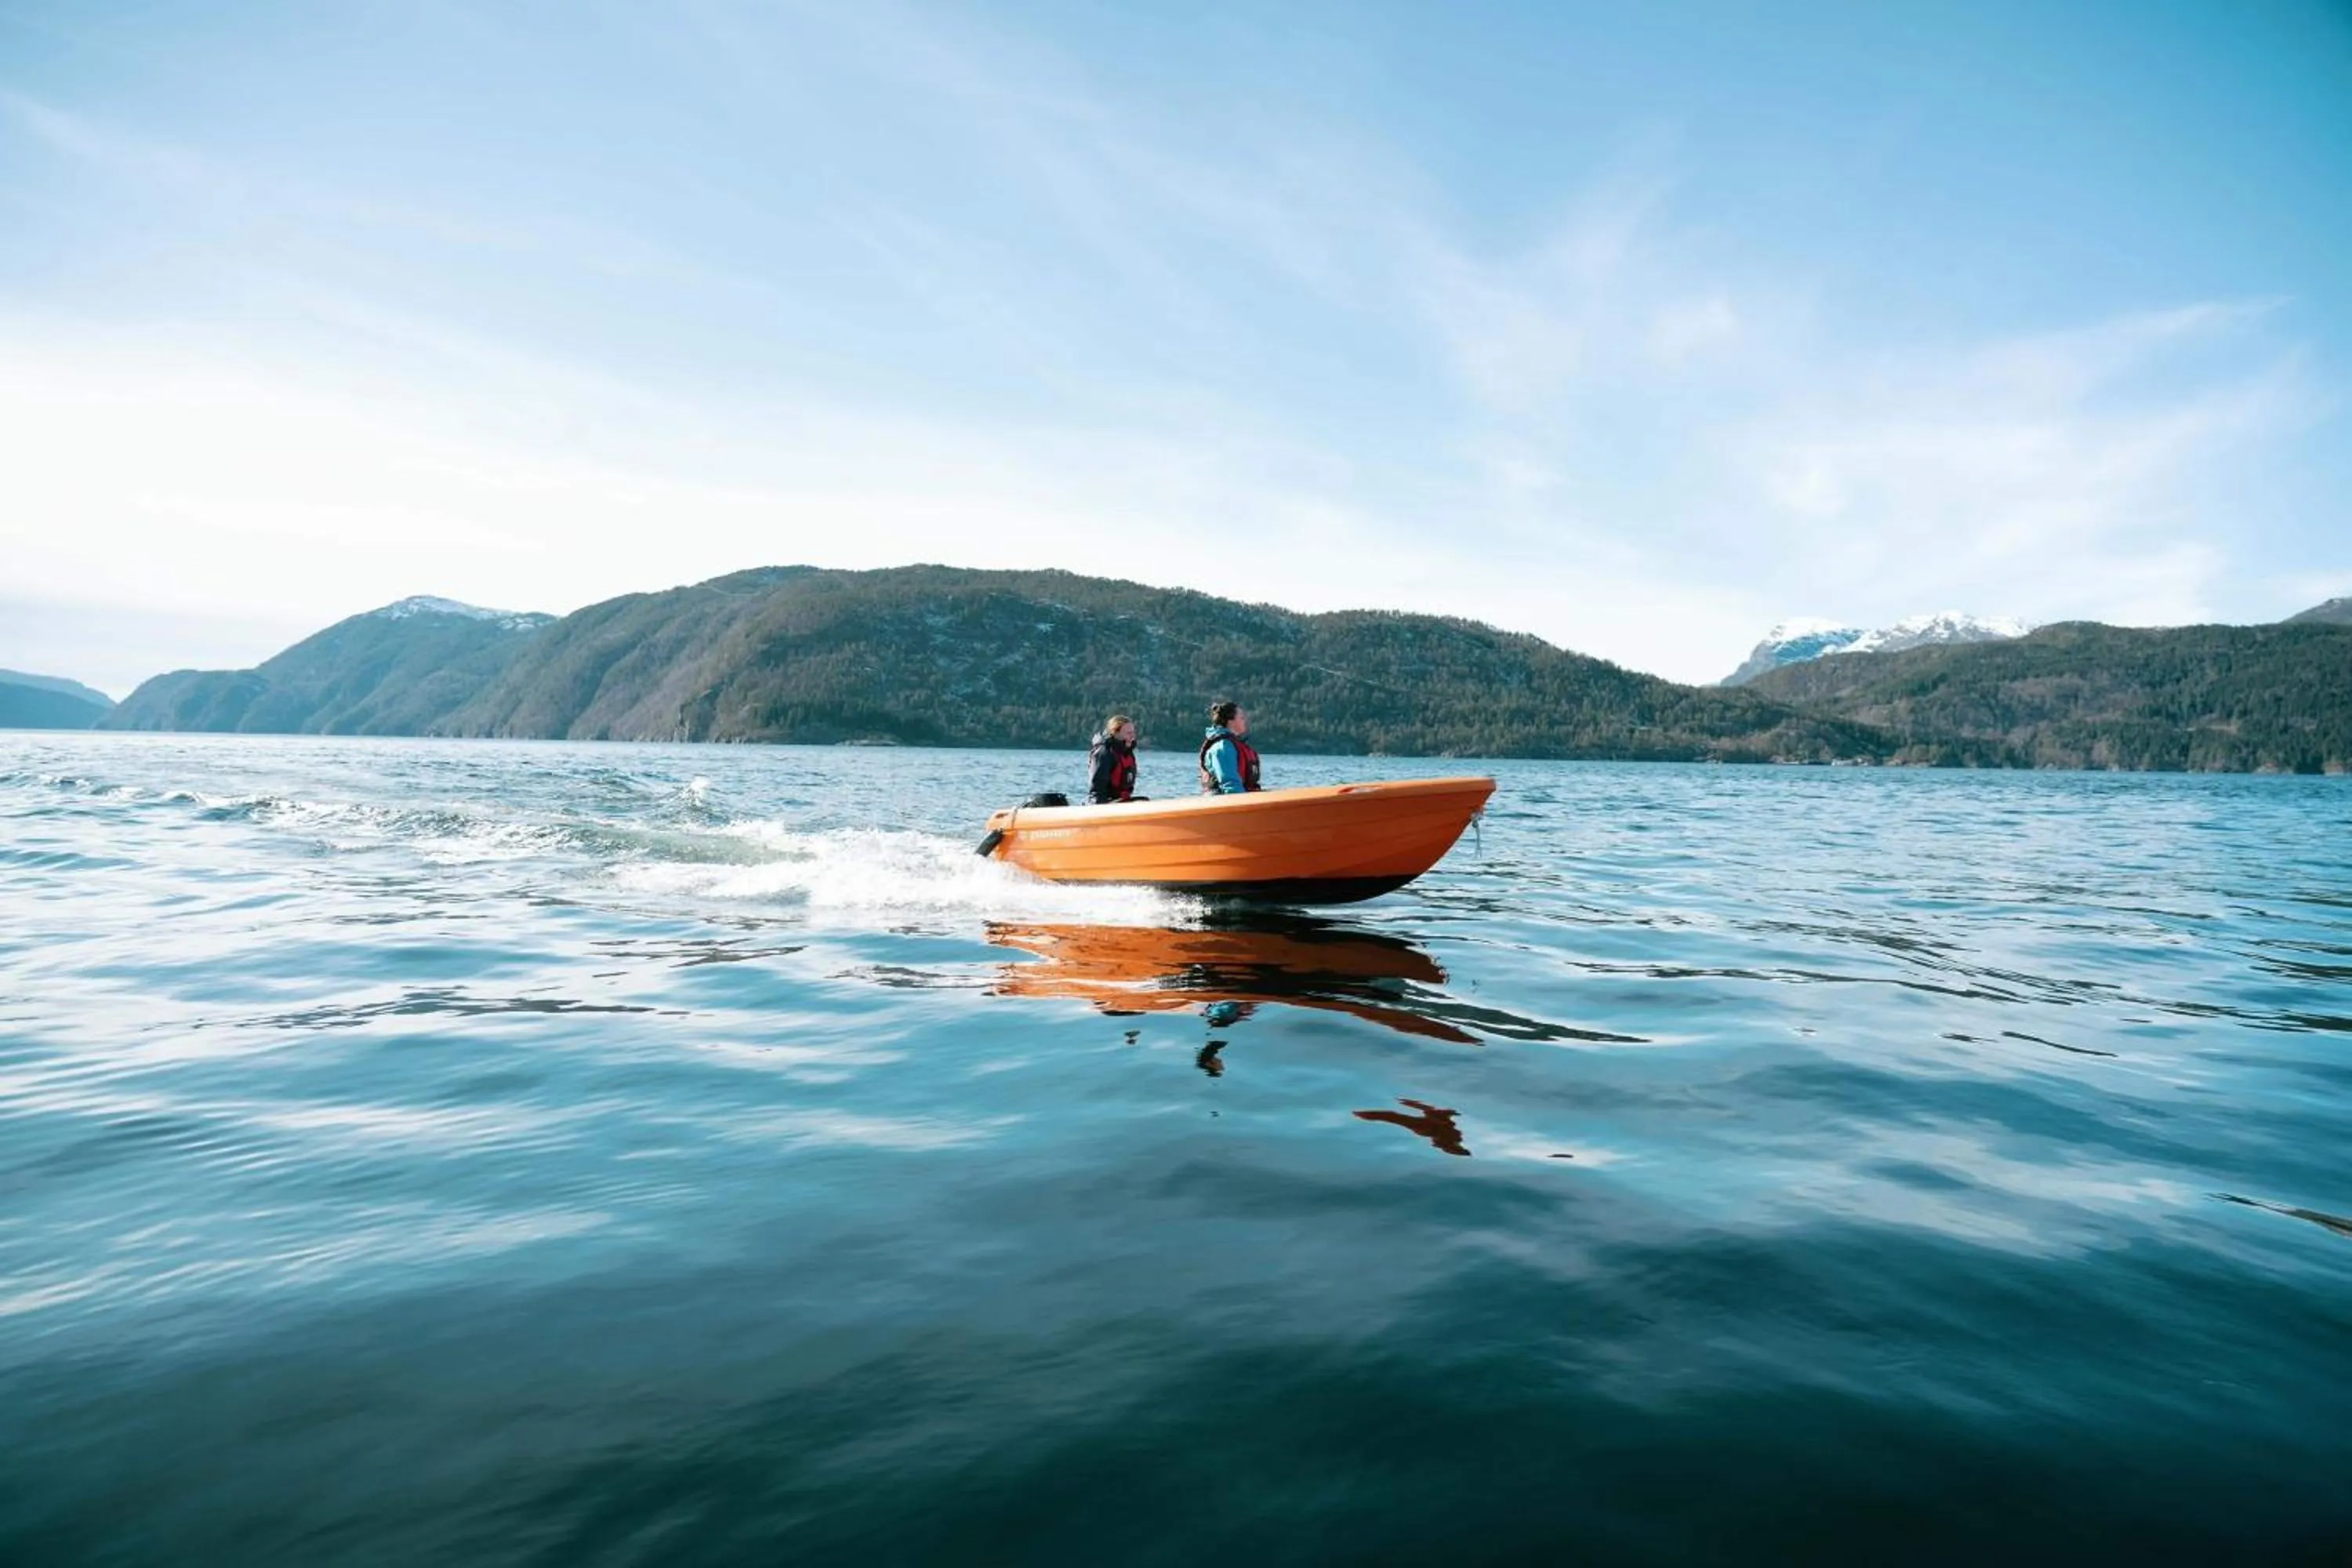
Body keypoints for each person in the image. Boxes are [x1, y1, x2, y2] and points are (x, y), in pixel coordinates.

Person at [1197, 699, 1261, 795]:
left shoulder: (1232, 744)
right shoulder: (1223, 747)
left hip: (1241, 798)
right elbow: (1230, 785)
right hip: (1222, 803)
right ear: (1231, 721)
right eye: (1242, 718)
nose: (1244, 721)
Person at [1087, 713, 1142, 804]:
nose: (1132, 737)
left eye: (1133, 733)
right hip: (1104, 805)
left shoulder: (1128, 753)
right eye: (1128, 733)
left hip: (1121, 802)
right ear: (1116, 733)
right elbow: (1097, 791)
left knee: (1144, 800)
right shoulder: (1104, 753)